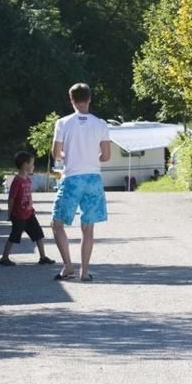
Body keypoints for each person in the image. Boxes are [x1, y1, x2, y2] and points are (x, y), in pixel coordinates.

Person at [51, 83, 111, 281]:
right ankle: (84, 272)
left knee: (57, 223)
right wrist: (92, 157)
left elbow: (56, 153)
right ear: (89, 99)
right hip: (93, 179)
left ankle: (68, 266)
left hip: (72, 179)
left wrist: (67, 155)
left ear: (72, 100)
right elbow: (106, 156)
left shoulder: (63, 123)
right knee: (88, 227)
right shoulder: (101, 124)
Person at [0, 151, 55, 266]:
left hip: (29, 214)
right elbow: (11, 198)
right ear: (25, 165)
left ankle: (43, 257)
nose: (33, 166)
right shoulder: (17, 181)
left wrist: (31, 208)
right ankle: (4, 258)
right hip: (18, 215)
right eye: (32, 164)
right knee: (14, 236)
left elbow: (28, 197)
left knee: (38, 234)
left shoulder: (27, 180)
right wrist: (10, 213)